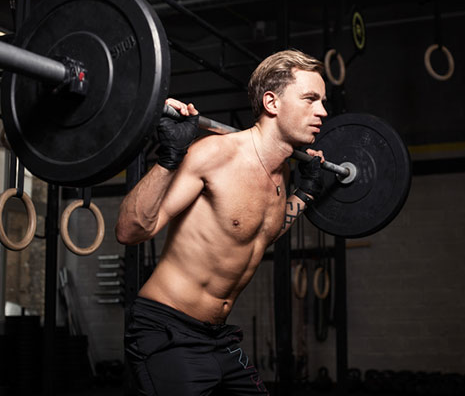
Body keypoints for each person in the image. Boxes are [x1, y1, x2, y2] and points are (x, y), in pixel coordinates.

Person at [116, 49, 327, 395]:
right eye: (310, 99)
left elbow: (259, 235)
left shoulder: (282, 174)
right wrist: (169, 158)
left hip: (218, 336)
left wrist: (305, 193)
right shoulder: (215, 154)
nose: (322, 111)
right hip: (167, 330)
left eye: (322, 101)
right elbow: (130, 231)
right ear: (272, 103)